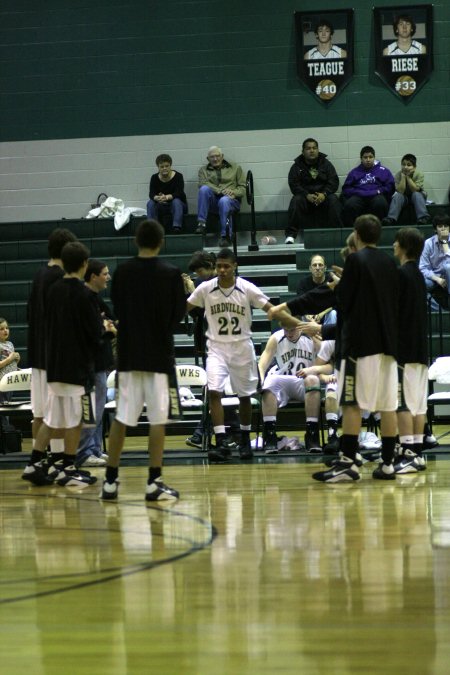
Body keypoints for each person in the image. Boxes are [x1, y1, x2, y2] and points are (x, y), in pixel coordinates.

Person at [101, 219, 186, 502]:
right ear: (161, 241)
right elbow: (177, 315)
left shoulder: (123, 272)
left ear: (137, 241)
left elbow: (117, 308)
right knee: (158, 419)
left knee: (122, 418)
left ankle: (110, 481)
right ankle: (153, 481)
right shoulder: (172, 273)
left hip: (128, 354)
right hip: (159, 355)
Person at [312, 214, 400, 483]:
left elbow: (342, 302)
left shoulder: (356, 261)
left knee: (351, 403)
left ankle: (348, 462)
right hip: (388, 344)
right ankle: (387, 463)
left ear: (357, 234)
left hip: (360, 345)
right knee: (387, 406)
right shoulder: (389, 262)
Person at [23, 242, 103, 488]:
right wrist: (107, 330)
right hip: (74, 365)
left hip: (53, 363)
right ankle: (68, 467)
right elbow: (93, 332)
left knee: (52, 418)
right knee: (76, 420)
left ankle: (34, 461)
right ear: (84, 264)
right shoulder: (82, 293)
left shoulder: (53, 289)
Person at [187, 248, 275, 463]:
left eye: (226, 266)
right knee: (214, 391)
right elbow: (184, 308)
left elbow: (271, 308)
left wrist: (290, 318)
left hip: (242, 347)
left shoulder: (247, 288)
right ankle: (221, 440)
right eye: (219, 266)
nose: (222, 270)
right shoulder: (206, 288)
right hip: (216, 348)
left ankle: (244, 439)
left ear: (234, 266)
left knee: (244, 396)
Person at [22, 228, 79, 485]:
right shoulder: (60, 279)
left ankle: (44, 461)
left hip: (36, 353)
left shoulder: (38, 275)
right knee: (59, 414)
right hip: (53, 356)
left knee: (40, 413)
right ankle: (51, 462)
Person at [393, 227, 428, 473]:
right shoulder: (419, 276)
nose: (393, 246)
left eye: (396, 242)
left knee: (403, 403)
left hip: (404, 348)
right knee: (418, 404)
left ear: (403, 246)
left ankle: (406, 453)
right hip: (420, 348)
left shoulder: (401, 275)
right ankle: (416, 453)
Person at [75, 260, 116, 468]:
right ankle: (83, 453)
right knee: (91, 410)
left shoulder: (95, 299)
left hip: (100, 362)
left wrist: (108, 325)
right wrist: (106, 329)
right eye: (105, 273)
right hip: (90, 364)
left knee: (98, 410)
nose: (108, 277)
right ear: (93, 276)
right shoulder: (83, 299)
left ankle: (95, 448)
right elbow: (92, 332)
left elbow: (110, 319)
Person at [258, 325, 322, 454]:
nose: (289, 333)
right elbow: (262, 364)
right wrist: (260, 379)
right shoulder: (276, 338)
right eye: (286, 329)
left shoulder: (310, 335)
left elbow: (327, 355)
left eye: (292, 329)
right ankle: (270, 435)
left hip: (304, 381)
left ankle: (312, 434)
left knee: (313, 380)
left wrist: (316, 339)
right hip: (284, 380)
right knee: (268, 381)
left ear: (299, 326)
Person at [285, 138, 342, 244]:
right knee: (296, 200)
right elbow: (294, 185)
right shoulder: (296, 166)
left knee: (334, 199)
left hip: (323, 197)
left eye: (314, 148)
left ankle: (338, 234)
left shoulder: (326, 164)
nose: (311, 150)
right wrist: (306, 195)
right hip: (305, 198)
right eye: (308, 148)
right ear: (303, 151)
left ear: (318, 150)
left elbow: (334, 181)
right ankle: (290, 235)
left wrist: (324, 194)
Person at [195, 146, 246, 247]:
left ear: (222, 156)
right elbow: (202, 183)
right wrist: (221, 191)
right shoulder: (203, 170)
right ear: (207, 159)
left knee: (224, 201)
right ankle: (201, 223)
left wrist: (233, 192)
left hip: (231, 201)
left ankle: (226, 236)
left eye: (217, 156)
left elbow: (243, 188)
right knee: (204, 189)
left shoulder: (235, 168)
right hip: (213, 202)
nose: (215, 159)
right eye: (212, 157)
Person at [342, 146, 395, 227]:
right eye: (365, 157)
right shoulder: (354, 172)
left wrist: (380, 191)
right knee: (350, 205)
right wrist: (357, 192)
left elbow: (390, 186)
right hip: (359, 196)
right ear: (361, 159)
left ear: (374, 158)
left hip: (376, 195)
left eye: (370, 157)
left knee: (380, 203)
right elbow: (346, 188)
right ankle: (353, 231)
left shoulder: (383, 170)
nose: (368, 160)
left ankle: (380, 229)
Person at [382, 153, 430, 226]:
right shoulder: (398, 174)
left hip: (418, 196)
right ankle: (391, 218)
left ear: (414, 167)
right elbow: (400, 191)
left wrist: (408, 177)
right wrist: (403, 177)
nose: (405, 167)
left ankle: (423, 217)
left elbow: (415, 190)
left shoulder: (419, 174)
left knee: (416, 194)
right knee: (397, 196)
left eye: (409, 165)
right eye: (403, 164)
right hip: (404, 197)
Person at [146, 154, 187, 233]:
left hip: (178, 206)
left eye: (167, 166)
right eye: (162, 167)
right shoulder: (154, 178)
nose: (164, 168)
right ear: (158, 167)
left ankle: (176, 227)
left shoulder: (178, 176)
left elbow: (179, 193)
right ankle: (151, 228)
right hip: (161, 205)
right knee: (150, 203)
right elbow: (151, 194)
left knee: (176, 201)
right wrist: (157, 198)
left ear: (170, 166)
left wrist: (168, 197)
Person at [419, 212, 450, 309]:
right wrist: (437, 278)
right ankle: (440, 310)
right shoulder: (428, 243)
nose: (443, 229)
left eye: (446, 226)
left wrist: (445, 243)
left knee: (448, 267)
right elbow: (423, 267)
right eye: (440, 226)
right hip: (434, 277)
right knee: (419, 286)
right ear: (435, 229)